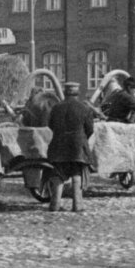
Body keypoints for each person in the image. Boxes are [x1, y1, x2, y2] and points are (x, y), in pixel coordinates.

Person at [45, 81, 96, 212]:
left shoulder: (56, 108)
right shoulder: (84, 108)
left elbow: (51, 125)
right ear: (77, 93)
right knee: (76, 174)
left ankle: (54, 205)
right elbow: (90, 129)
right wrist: (81, 139)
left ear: (65, 92)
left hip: (58, 145)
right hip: (77, 148)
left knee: (58, 174)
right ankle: (77, 205)